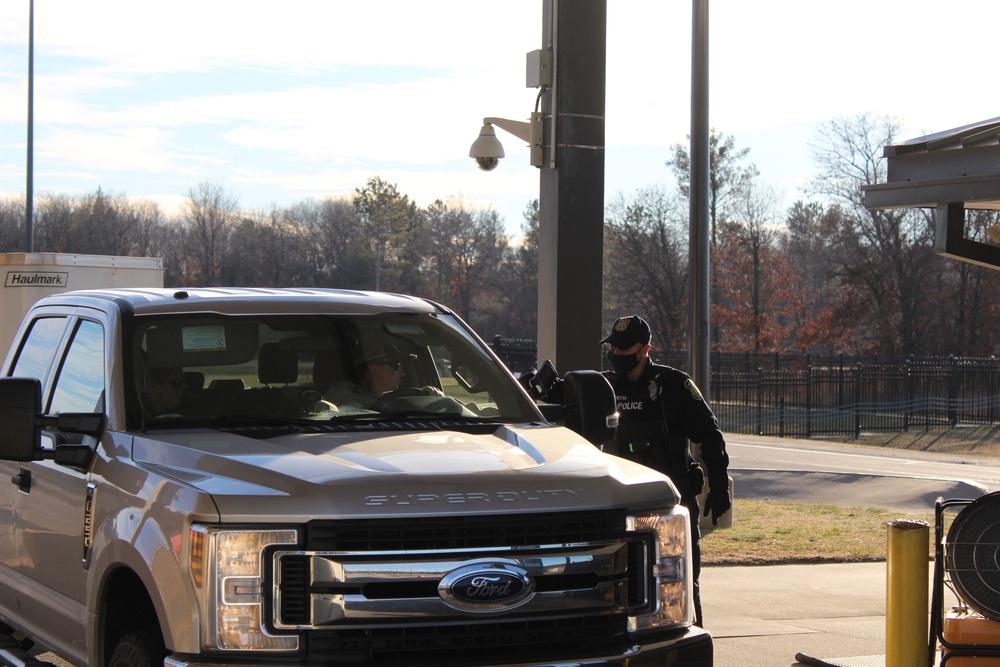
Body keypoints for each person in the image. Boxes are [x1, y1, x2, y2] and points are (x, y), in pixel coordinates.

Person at [600, 314, 730, 627]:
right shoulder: (603, 387)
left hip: (671, 504)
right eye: (613, 349)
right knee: (621, 585)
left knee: (676, 585)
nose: (617, 355)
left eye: (624, 349)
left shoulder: (674, 386)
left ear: (645, 349)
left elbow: (710, 436)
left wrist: (720, 486)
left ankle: (685, 642)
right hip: (622, 504)